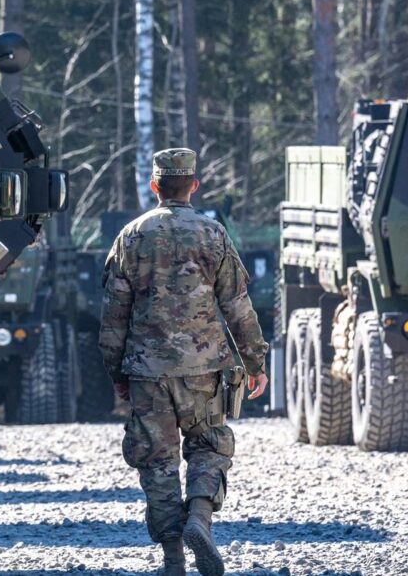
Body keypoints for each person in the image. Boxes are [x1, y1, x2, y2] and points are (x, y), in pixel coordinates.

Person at [98, 148, 269, 576]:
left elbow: (114, 315)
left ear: (155, 186)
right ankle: (200, 518)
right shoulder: (212, 234)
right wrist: (255, 361)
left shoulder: (131, 236)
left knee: (156, 460)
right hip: (205, 370)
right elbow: (237, 305)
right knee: (209, 446)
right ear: (193, 185)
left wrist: (116, 372)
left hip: (147, 370)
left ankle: (173, 559)